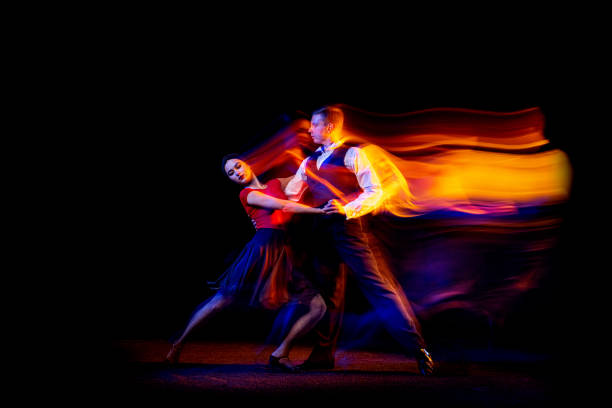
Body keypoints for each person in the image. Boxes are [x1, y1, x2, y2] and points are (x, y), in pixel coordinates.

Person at [283, 106, 435, 375]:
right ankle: (322, 356)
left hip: (351, 230)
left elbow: (375, 191)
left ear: (329, 127)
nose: (310, 130)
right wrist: (255, 182)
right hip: (323, 234)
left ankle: (419, 349)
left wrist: (347, 209)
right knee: (329, 297)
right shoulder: (309, 163)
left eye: (314, 125)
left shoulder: (353, 154)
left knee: (380, 289)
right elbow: (291, 194)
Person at [165, 154, 327, 372]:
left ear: (247, 164)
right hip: (262, 248)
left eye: (238, 167)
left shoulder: (274, 183)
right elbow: (283, 206)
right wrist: (320, 210)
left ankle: (281, 352)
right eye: (231, 173)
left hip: (284, 252)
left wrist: (318, 156)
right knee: (222, 300)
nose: (237, 173)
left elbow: (304, 175)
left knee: (318, 306)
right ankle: (179, 343)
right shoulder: (247, 194)